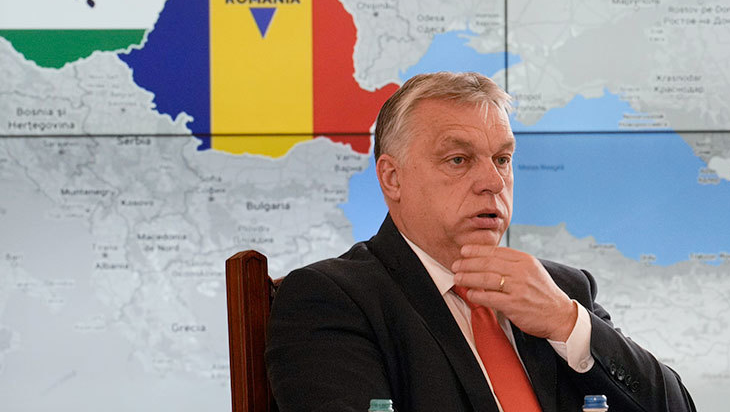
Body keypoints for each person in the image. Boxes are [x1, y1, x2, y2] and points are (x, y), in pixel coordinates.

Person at [266, 71, 696, 412]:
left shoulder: (561, 290)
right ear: (392, 178)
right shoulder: (333, 299)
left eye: (502, 159)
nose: (493, 181)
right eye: (458, 159)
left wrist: (566, 322)